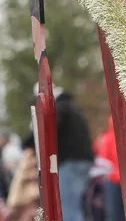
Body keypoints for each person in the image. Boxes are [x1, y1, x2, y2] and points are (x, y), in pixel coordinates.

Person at [31, 84, 95, 221]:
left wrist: (29, 141)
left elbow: (48, 128)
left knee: (69, 207)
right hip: (82, 160)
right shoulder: (70, 107)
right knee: (76, 205)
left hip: (71, 162)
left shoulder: (58, 108)